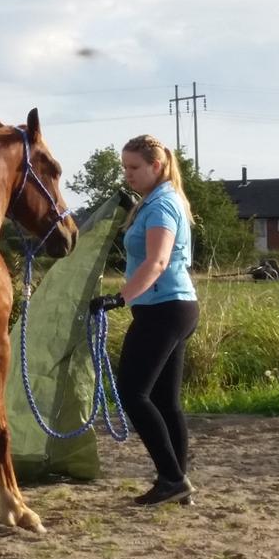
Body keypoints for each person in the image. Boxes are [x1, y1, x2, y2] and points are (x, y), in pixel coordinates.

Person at [90, 134, 200, 506]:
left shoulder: (161, 206)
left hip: (163, 309)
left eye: (134, 168)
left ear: (156, 166)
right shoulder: (155, 201)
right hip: (174, 307)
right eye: (124, 167)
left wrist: (119, 298)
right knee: (165, 401)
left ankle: (172, 478)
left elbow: (157, 261)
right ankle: (176, 480)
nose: (128, 174)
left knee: (132, 394)